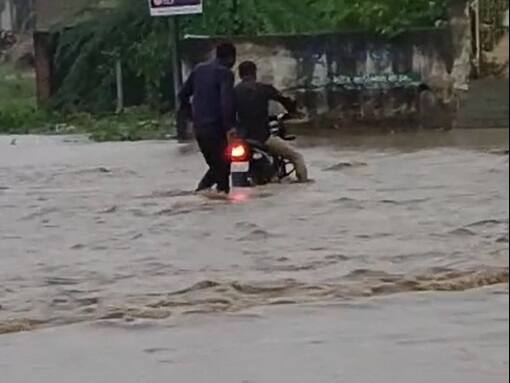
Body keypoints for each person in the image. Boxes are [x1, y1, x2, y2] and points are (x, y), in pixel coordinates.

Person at [234, 61, 308, 182]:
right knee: (297, 157)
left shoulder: (233, 91)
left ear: (240, 75)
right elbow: (284, 99)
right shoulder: (264, 88)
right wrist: (294, 111)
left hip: (240, 138)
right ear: (254, 73)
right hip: (262, 137)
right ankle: (304, 185)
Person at [179, 42, 237, 195]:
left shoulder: (199, 69)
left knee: (217, 166)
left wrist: (191, 117)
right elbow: (226, 102)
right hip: (216, 129)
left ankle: (203, 195)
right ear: (232, 58)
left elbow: (182, 95)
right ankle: (216, 197)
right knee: (223, 169)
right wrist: (230, 128)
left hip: (200, 129)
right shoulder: (225, 73)